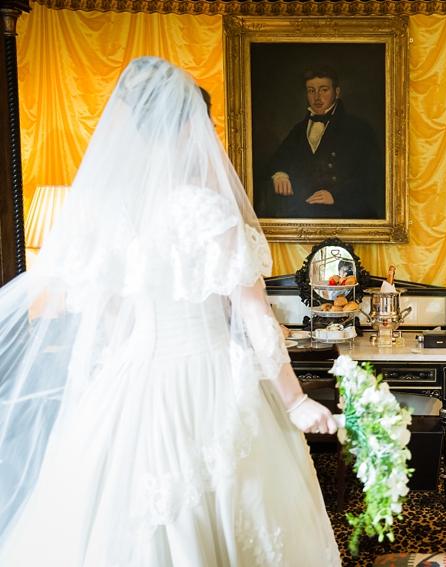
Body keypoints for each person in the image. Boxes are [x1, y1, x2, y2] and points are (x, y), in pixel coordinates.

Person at [0, 56, 342, 565]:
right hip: (206, 378)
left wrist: (123, 376)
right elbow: (254, 317)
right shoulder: (205, 209)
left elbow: (111, 318)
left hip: (132, 378)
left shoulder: (113, 214)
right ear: (188, 127)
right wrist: (295, 404)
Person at [257, 67, 384, 220]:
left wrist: (336, 197)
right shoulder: (299, 129)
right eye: (311, 91)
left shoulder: (358, 128)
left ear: (336, 92)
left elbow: (373, 178)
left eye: (323, 90)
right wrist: (280, 174)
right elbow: (279, 158)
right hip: (303, 214)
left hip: (344, 215)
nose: (317, 97)